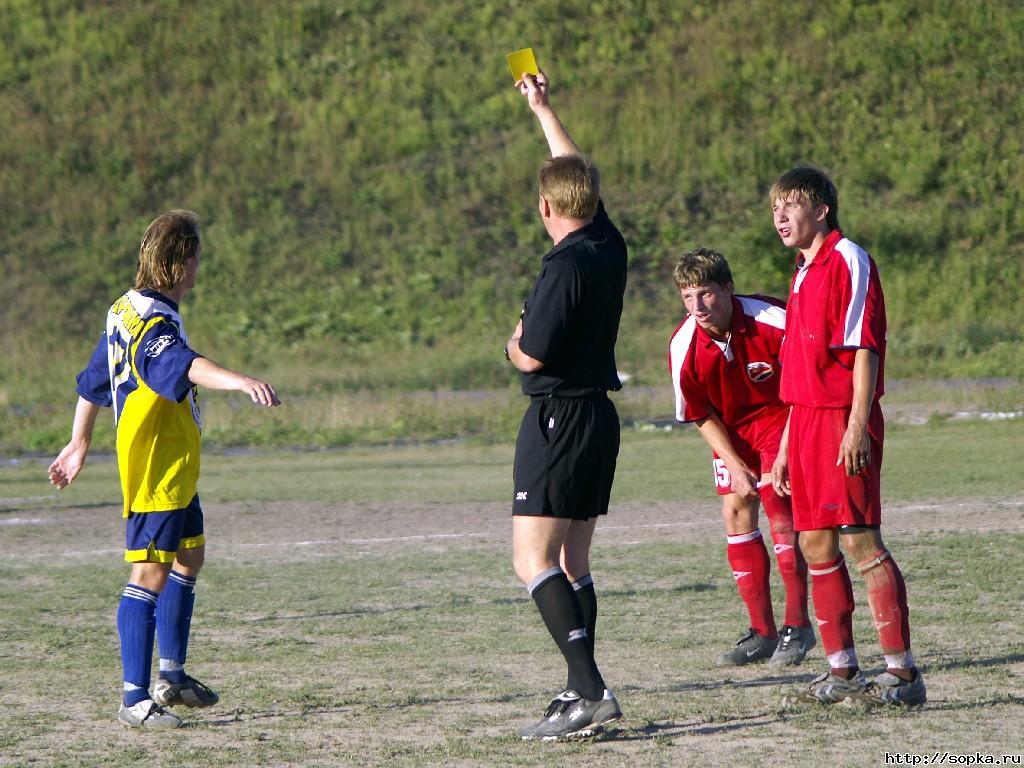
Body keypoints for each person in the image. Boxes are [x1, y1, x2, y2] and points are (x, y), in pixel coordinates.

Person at [48, 210, 281, 728]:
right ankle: (134, 700)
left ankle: (171, 677)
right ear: (180, 263)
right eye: (195, 256)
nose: (199, 266)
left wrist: (77, 443)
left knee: (189, 557)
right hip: (155, 466)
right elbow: (185, 364)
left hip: (176, 466)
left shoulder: (123, 310)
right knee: (148, 573)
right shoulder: (154, 324)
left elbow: (92, 383)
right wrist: (242, 381)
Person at [768, 167, 926, 705]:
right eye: (775, 209)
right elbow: (796, 375)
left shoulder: (848, 259)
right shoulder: (800, 272)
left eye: (791, 205)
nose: (781, 217)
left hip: (841, 419)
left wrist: (858, 422)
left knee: (860, 539)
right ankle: (842, 672)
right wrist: (787, 449)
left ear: (821, 210)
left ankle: (902, 675)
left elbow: (864, 347)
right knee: (814, 542)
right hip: (806, 423)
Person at [505, 69, 627, 740]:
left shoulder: (563, 266)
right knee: (573, 562)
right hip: (598, 421)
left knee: (532, 560)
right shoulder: (608, 247)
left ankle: (587, 689)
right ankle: (580, 687)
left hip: (557, 418)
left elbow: (534, 354)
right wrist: (542, 109)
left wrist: (512, 345)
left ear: (547, 208)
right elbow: (571, 170)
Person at [668, 248, 815, 667]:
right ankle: (762, 632)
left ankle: (797, 626)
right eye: (687, 297)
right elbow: (699, 413)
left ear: (729, 289)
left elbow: (805, 385)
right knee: (736, 512)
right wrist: (733, 463)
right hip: (731, 431)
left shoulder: (772, 319)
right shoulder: (684, 346)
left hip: (785, 416)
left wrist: (784, 452)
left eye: (707, 295)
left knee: (778, 505)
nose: (697, 307)